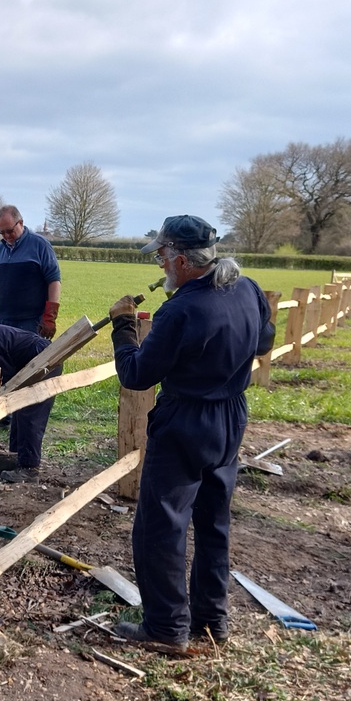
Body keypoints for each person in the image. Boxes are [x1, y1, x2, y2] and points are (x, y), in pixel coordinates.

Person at [108, 215, 275, 655]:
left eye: (163, 256)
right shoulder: (248, 290)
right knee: (213, 519)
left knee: (161, 524)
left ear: (182, 260)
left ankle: (165, 626)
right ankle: (211, 619)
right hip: (230, 416)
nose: (161, 264)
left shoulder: (180, 309)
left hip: (185, 419)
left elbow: (137, 374)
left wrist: (123, 326)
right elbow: (263, 342)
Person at [0, 324, 60, 483]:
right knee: (19, 412)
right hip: (29, 361)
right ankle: (15, 459)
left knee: (30, 415)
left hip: (45, 360)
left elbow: (4, 380)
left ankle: (29, 468)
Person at [0, 205, 61, 339]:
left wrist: (49, 316)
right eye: (2, 232)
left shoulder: (40, 245)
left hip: (32, 322)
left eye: (10, 231)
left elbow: (54, 281)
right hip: (3, 321)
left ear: (21, 223)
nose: (6, 236)